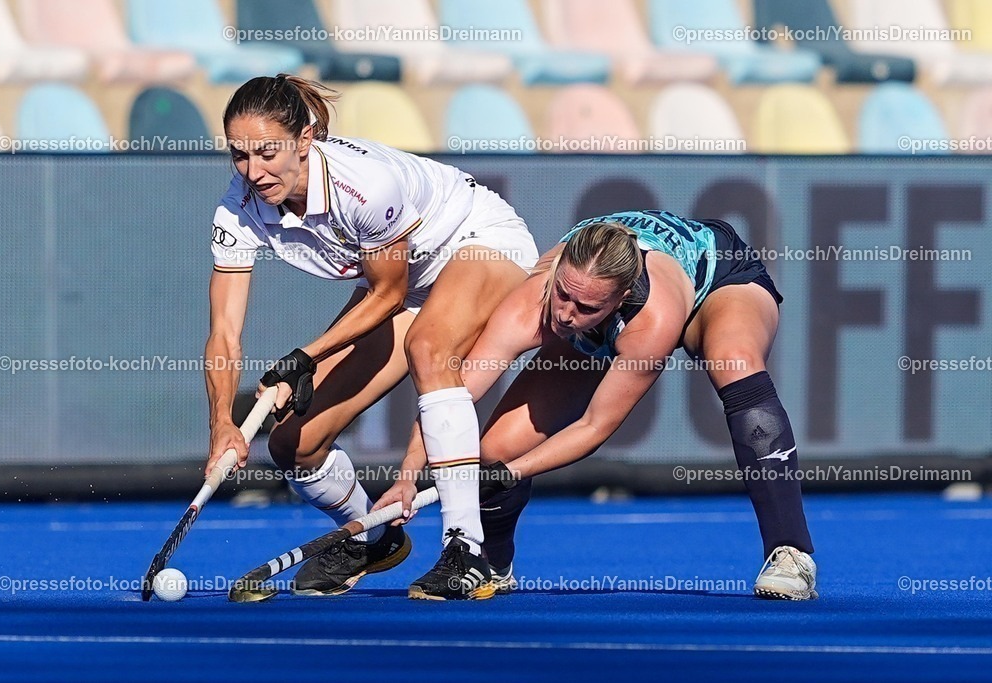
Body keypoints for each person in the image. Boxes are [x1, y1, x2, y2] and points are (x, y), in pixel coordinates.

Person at [204, 74, 538, 600]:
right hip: (403, 279)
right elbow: (224, 331)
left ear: (304, 140)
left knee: (429, 348)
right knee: (294, 445)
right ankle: (372, 537)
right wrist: (222, 422)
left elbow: (388, 295)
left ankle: (466, 549)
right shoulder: (237, 209)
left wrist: (305, 357)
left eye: (267, 153)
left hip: (475, 240)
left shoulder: (362, 185)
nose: (253, 171)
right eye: (239, 156)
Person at [377, 211, 818, 601]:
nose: (565, 315)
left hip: (718, 277)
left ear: (621, 298)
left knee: (734, 361)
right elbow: (452, 396)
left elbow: (594, 426)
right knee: (495, 449)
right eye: (563, 294)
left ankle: (791, 552)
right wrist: (408, 474)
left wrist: (511, 474)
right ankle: (493, 564)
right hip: (612, 305)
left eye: (585, 306)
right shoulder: (534, 300)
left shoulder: (651, 320)